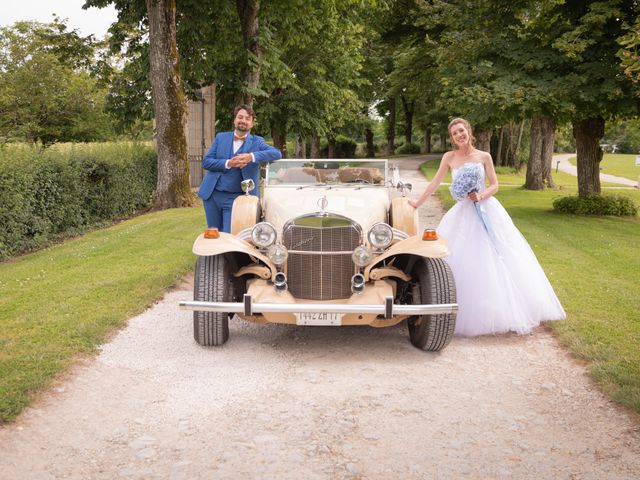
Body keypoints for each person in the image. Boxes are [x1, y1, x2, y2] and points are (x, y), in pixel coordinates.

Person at [409, 117, 565, 336]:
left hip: (487, 208)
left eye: (461, 131)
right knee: (459, 256)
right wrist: (417, 203)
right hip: (462, 213)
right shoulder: (449, 157)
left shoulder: (484, 156)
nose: (459, 135)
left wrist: (480, 195)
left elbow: (495, 185)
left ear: (469, 131)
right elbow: (435, 183)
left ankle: (505, 308)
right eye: (454, 133)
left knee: (498, 253)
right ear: (452, 138)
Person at [198, 104, 282, 232]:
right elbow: (206, 162)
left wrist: (251, 156)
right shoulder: (221, 137)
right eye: (240, 117)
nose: (243, 120)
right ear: (235, 120)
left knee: (229, 234)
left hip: (237, 198)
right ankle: (216, 253)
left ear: (252, 124)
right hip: (213, 194)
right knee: (214, 232)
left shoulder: (257, 142)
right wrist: (228, 163)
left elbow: (277, 153)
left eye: (247, 118)